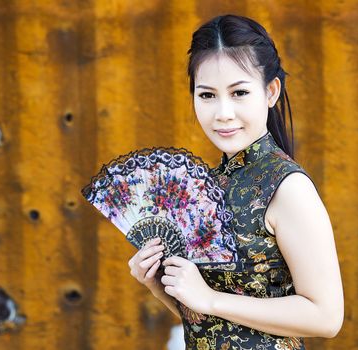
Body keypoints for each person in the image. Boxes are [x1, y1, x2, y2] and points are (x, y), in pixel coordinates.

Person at [128, 14, 344, 349]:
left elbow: (326, 316)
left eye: (239, 92)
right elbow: (212, 323)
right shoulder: (208, 187)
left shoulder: (287, 187)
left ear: (271, 91)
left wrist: (210, 298)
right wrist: (160, 286)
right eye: (207, 95)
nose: (223, 113)